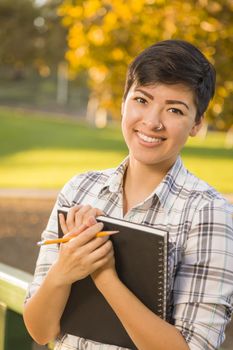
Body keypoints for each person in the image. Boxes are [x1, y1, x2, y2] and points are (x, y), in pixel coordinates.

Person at [23, 39, 233, 350]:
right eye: (142, 100)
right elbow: (41, 332)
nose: (152, 122)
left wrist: (105, 276)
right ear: (123, 102)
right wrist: (64, 270)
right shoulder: (80, 190)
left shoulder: (209, 213)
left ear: (197, 123)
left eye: (174, 109)